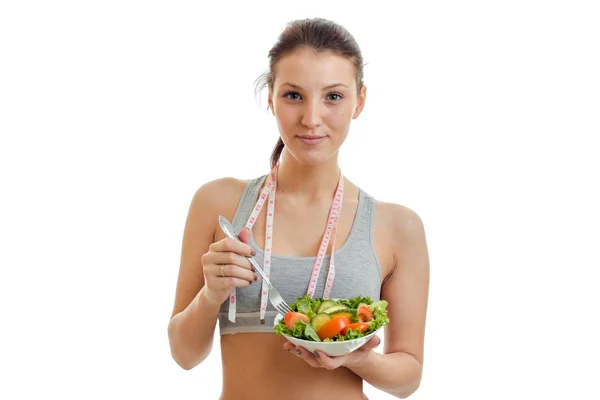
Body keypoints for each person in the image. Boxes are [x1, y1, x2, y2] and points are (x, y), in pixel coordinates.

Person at [167, 17, 430, 400]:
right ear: (271, 95)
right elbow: (184, 355)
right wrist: (211, 294)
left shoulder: (398, 226)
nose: (311, 119)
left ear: (360, 101)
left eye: (333, 97)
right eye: (294, 95)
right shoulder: (217, 203)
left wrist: (353, 357)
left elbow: (408, 377)